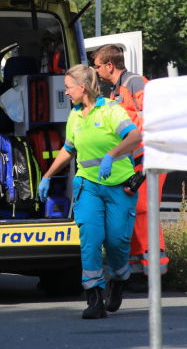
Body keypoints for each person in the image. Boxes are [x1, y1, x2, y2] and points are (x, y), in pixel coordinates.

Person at [38, 64, 141, 319]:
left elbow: (135, 136)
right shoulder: (75, 115)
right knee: (91, 240)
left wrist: (111, 154)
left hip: (119, 186)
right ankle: (94, 299)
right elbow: (68, 149)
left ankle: (119, 280)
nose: (66, 93)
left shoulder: (109, 110)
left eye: (68, 87)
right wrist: (47, 175)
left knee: (116, 242)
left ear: (82, 87)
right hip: (88, 186)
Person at [92, 44, 168, 292]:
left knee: (144, 213)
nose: (95, 70)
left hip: (148, 160)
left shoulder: (135, 83)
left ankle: (156, 274)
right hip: (134, 162)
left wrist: (147, 161)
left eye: (97, 66)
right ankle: (137, 272)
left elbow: (153, 119)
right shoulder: (115, 90)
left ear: (109, 65)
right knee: (132, 213)